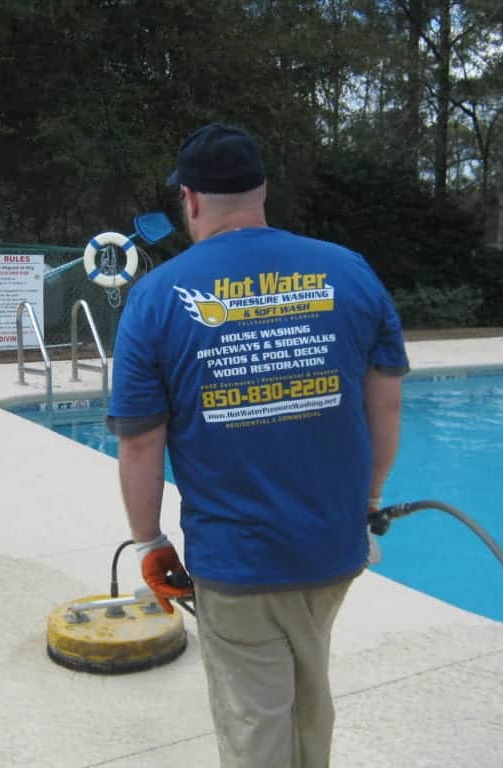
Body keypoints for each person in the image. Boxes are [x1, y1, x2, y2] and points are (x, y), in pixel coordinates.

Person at [106, 123, 408, 768]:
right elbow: (384, 404)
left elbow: (139, 445)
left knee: (254, 723)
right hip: (334, 547)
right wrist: (370, 497)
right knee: (307, 696)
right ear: (262, 189)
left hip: (236, 561)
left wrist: (151, 541)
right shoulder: (348, 271)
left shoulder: (157, 298)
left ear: (189, 200)